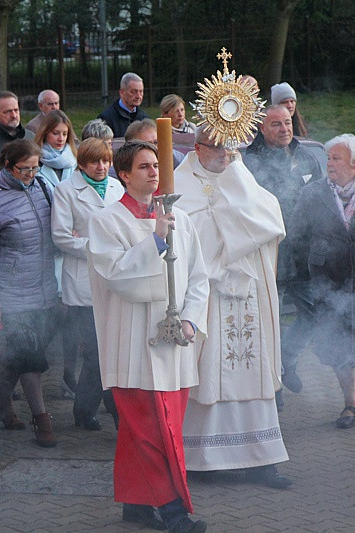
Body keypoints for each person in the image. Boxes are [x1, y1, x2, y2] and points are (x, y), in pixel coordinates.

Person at [88, 141, 209, 532]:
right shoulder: (106, 221)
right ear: (123, 175)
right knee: (150, 430)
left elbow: (198, 277)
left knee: (158, 426)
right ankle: (174, 510)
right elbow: (118, 277)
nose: (154, 172)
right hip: (132, 343)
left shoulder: (181, 218)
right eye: (143, 167)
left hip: (174, 346)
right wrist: (155, 240)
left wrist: (191, 319)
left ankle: (137, 504)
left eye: (157, 165)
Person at [176, 127, 291, 488]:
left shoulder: (240, 173)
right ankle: (202, 458)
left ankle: (262, 461)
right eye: (216, 147)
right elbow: (185, 231)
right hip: (208, 292)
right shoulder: (181, 182)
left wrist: (233, 213)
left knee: (252, 369)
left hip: (246, 293)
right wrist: (229, 222)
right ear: (197, 147)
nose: (225, 154)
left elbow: (269, 219)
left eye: (230, 146)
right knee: (210, 371)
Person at [290, 134, 355, 429]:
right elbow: (298, 235)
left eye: (335, 158)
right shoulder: (313, 194)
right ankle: (350, 403)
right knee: (339, 343)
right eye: (328, 158)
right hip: (329, 279)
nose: (329, 164)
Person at [0, 140, 59, 446]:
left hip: (46, 289)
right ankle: (42, 419)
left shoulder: (43, 187)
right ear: (7, 166)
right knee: (29, 354)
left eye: (36, 167)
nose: (32, 174)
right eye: (25, 169)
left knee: (21, 355)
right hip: (11, 294)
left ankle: (2, 401)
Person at [244, 104, 325, 397]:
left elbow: (321, 198)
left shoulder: (305, 157)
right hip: (270, 255)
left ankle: (286, 360)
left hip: (303, 255)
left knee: (316, 312)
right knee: (269, 320)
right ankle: (272, 386)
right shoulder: (249, 161)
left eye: (287, 123)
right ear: (262, 128)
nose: (284, 129)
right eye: (276, 124)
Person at [51, 138, 123, 430]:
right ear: (81, 163)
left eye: (105, 160)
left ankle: (107, 406)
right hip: (84, 281)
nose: (101, 166)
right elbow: (61, 236)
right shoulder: (65, 191)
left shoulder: (118, 187)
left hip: (116, 278)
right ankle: (84, 410)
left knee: (113, 348)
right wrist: (101, 248)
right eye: (94, 161)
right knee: (95, 352)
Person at [97, 72, 149, 138]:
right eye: (133, 92)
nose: (138, 96)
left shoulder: (145, 119)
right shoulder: (106, 119)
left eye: (141, 91)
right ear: (122, 92)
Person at [35, 110, 77, 188]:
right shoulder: (34, 159)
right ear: (45, 133)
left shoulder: (75, 159)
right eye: (55, 133)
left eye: (64, 134)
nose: (61, 138)